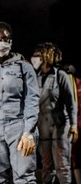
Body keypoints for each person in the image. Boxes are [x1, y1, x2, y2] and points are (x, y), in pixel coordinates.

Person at [0, 21, 40, 183]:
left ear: (11, 41)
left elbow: (32, 99)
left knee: (24, 178)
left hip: (19, 128)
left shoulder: (24, 68)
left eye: (5, 38)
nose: (1, 43)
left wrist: (29, 132)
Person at [30, 42, 78, 183]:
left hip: (60, 127)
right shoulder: (35, 77)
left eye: (38, 55)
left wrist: (74, 125)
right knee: (46, 167)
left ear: (46, 56)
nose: (35, 58)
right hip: (43, 127)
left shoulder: (60, 75)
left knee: (62, 166)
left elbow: (71, 103)